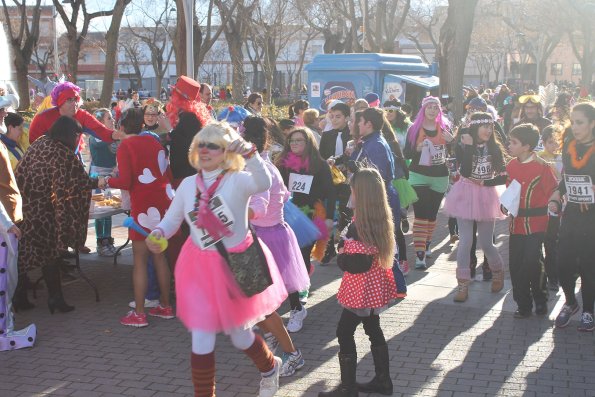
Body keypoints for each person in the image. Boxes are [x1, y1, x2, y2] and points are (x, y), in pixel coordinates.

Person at [146, 121, 287, 397]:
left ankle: (270, 368)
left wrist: (249, 153)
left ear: (226, 152)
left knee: (238, 334)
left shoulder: (238, 179)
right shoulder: (188, 185)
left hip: (234, 267)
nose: (206, 150)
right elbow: (172, 219)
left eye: (214, 145)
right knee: (201, 336)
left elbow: (264, 182)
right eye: (201, 144)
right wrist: (158, 232)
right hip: (198, 266)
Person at [319, 167, 398, 397]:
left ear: (360, 193)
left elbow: (356, 263)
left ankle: (348, 389)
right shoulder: (379, 217)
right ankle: (383, 382)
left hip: (361, 288)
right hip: (373, 286)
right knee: (373, 328)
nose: (350, 192)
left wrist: (342, 254)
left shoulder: (359, 225)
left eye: (352, 189)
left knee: (344, 332)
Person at [244, 116, 309, 377]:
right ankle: (279, 344)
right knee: (257, 306)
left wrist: (230, 210)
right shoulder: (260, 164)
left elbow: (258, 208)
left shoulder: (260, 168)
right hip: (267, 236)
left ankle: (292, 354)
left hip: (268, 239)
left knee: (263, 306)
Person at [16, 117, 99, 314]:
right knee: (50, 254)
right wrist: (101, 182)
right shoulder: (63, 153)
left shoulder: (39, 143)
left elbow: (19, 171)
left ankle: (19, 298)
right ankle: (55, 299)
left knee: (24, 254)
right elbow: (81, 181)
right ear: (70, 134)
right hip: (46, 212)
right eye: (77, 135)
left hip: (25, 208)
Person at [101, 108, 174, 327]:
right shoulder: (154, 142)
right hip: (162, 205)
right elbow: (165, 172)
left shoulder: (125, 146)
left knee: (140, 260)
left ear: (122, 127)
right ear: (142, 125)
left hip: (142, 207)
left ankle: (140, 313)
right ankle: (165, 306)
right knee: (160, 256)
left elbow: (125, 181)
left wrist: (105, 181)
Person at [443, 112, 508, 302]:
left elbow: (503, 176)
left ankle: (498, 272)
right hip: (464, 194)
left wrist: (485, 184)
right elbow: (465, 171)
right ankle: (462, 284)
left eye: (491, 127)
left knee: (487, 242)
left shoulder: (495, 148)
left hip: (486, 195)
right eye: (484, 126)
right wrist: (470, 146)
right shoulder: (463, 145)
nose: (488, 130)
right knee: (466, 241)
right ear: (475, 128)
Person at [276, 128, 336, 331]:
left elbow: (331, 193)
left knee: (301, 255)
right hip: (288, 213)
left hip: (310, 215)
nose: (294, 144)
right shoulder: (283, 164)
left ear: (308, 142)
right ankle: (295, 291)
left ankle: (299, 292)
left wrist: (329, 217)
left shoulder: (319, 165)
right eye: (292, 140)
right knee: (289, 256)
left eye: (299, 140)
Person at [504, 123, 558, 318]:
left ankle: (541, 300)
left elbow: (554, 191)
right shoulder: (510, 165)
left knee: (532, 262)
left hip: (537, 223)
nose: (509, 145)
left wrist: (554, 204)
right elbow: (510, 192)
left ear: (526, 146)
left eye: (514, 142)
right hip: (516, 223)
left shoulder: (542, 167)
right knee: (516, 265)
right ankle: (523, 305)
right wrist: (505, 204)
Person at [551, 102, 595, 332]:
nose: (575, 127)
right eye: (573, 122)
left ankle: (588, 310)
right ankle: (570, 303)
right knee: (563, 263)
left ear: (592, 124)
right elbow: (567, 179)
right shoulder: (569, 145)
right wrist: (556, 195)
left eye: (580, 123)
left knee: (589, 265)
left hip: (592, 217)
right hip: (571, 214)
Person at [404, 96, 454, 269]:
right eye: (429, 107)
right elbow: (407, 154)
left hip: (440, 176)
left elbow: (454, 153)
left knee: (432, 214)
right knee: (421, 214)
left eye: (436, 108)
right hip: (419, 175)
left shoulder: (444, 128)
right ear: (423, 109)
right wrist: (416, 149)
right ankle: (420, 255)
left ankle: (426, 243)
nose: (432, 110)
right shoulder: (414, 129)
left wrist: (451, 141)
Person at [0, 143, 36, 350]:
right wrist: (7, 224)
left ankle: (7, 327)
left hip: (6, 219)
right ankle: (6, 329)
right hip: (4, 226)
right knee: (5, 278)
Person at [28, 82, 119, 145]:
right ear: (60, 103)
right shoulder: (43, 118)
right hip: (47, 162)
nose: (74, 103)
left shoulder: (82, 115)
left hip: (72, 159)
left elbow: (101, 131)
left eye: (75, 99)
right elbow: (33, 143)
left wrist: (118, 135)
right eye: (69, 100)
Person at [319, 102, 352, 265]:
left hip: (348, 179)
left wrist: (340, 162)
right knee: (328, 212)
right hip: (330, 180)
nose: (334, 119)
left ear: (347, 118)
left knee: (346, 212)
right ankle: (329, 247)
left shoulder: (352, 134)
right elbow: (321, 156)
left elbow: (352, 156)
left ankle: (344, 246)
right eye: (331, 116)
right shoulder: (327, 135)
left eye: (338, 116)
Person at [90, 109, 119, 257]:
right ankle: (100, 241)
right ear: (100, 122)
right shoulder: (95, 137)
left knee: (110, 210)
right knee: (101, 212)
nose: (113, 120)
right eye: (109, 118)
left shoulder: (112, 137)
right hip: (98, 176)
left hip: (110, 175)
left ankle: (108, 240)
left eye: (113, 118)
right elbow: (103, 143)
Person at [538, 125, 563, 291]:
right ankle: (540, 276)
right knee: (539, 242)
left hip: (557, 205)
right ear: (544, 142)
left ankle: (553, 277)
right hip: (541, 206)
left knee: (551, 242)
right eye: (550, 142)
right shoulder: (538, 158)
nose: (554, 145)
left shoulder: (563, 158)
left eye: (556, 142)